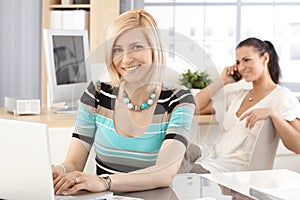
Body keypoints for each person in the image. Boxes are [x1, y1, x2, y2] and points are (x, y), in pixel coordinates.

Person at [52, 9, 195, 195]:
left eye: (136, 47)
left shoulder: (178, 100)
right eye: (117, 49)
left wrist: (105, 182)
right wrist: (60, 171)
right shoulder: (96, 95)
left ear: (155, 49)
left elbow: (164, 173)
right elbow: (73, 163)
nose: (126, 59)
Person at [192, 37, 300, 173]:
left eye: (247, 60)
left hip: (228, 172)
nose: (241, 67)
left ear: (265, 58)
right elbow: (194, 107)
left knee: (170, 169)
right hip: (207, 161)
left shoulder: (281, 96)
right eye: (238, 62)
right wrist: (222, 80)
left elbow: (298, 146)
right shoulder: (237, 95)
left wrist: (274, 114)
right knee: (172, 155)